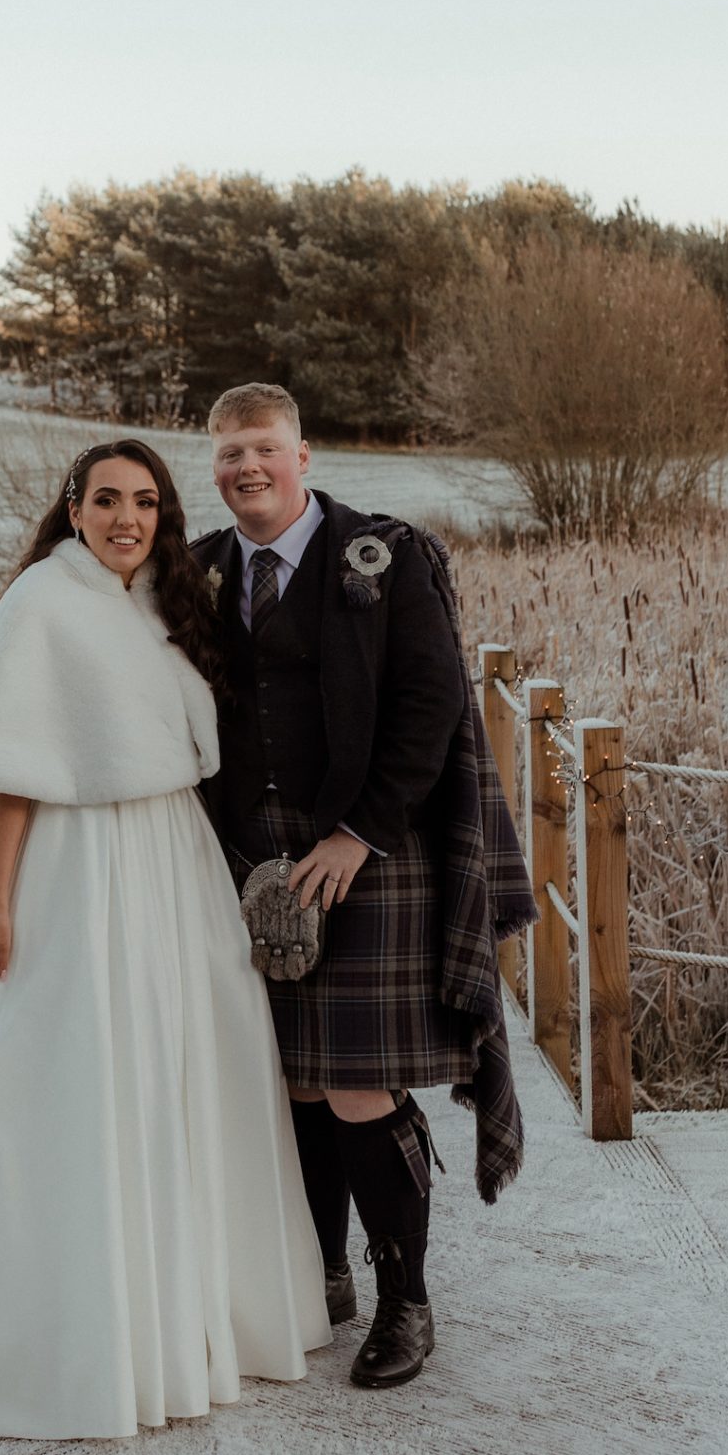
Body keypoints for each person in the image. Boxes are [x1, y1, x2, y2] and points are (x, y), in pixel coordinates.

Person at [0, 437, 329, 1440]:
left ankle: (183, 1308)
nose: (127, 518)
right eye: (107, 501)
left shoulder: (165, 605)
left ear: (162, 515)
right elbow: (15, 763)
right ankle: (66, 1330)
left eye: (145, 501)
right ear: (73, 509)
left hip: (171, 856)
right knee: (72, 1071)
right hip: (78, 862)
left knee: (181, 1063)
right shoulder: (44, 601)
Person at [192, 383, 536, 1391]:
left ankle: (405, 1300)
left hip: (370, 853)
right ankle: (320, 1272)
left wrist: (358, 833)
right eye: (226, 456)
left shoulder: (386, 560)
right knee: (288, 1074)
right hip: (249, 858)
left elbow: (433, 706)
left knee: (352, 1080)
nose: (245, 468)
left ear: (305, 453)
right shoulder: (202, 572)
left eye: (263, 448)